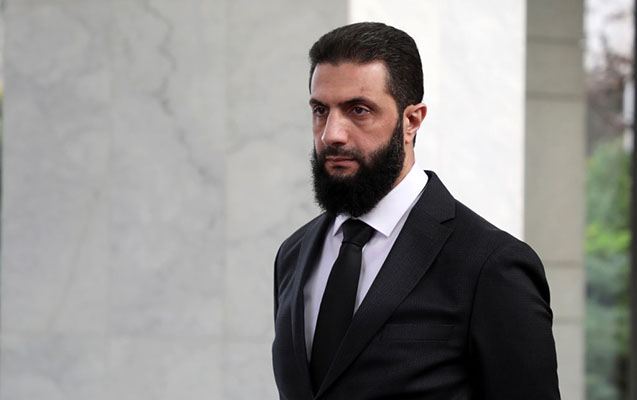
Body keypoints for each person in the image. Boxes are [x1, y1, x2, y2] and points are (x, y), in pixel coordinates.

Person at [272, 22, 560, 400]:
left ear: (411, 121)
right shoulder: (293, 254)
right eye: (320, 110)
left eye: (358, 110)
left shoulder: (490, 265)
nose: (332, 134)